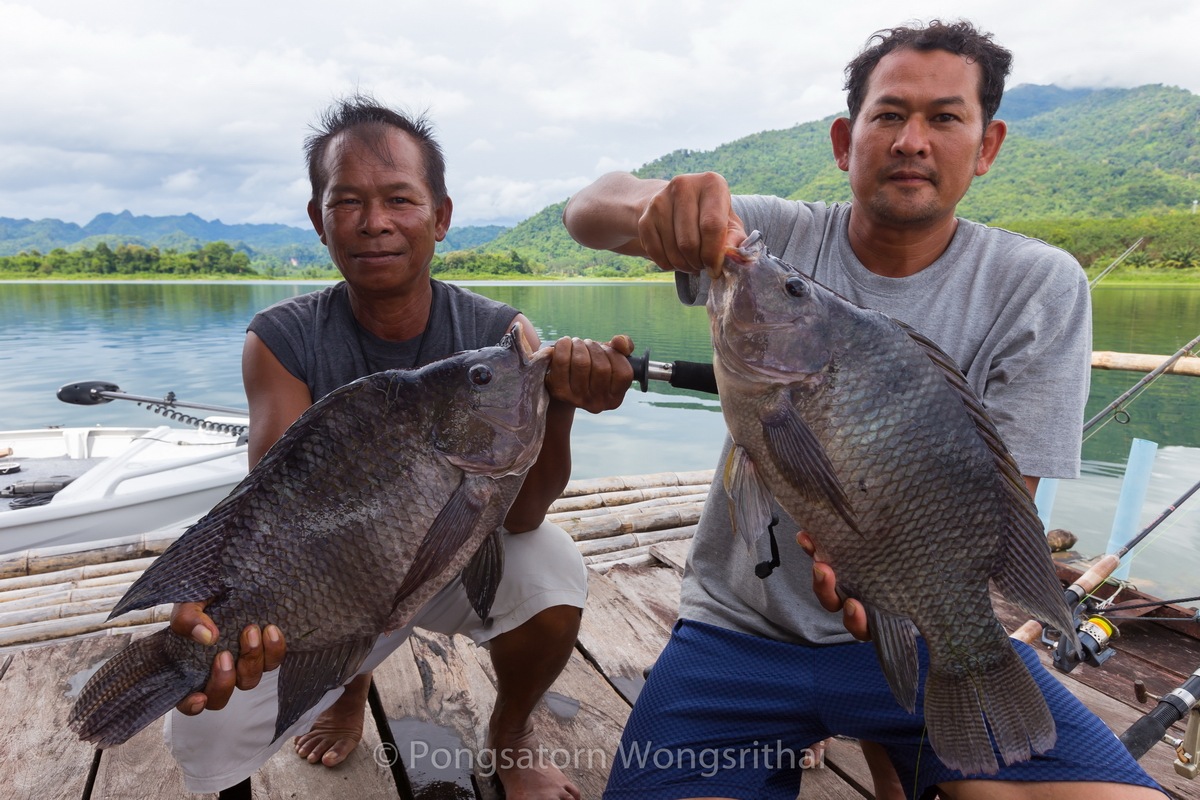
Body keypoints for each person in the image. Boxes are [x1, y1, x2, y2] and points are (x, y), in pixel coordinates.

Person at [563, 19, 1165, 800]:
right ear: (847, 141)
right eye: (889, 115)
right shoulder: (768, 240)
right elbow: (587, 209)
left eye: (945, 118)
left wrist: (892, 593)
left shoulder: (1038, 284)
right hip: (735, 633)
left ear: (988, 147)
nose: (912, 139)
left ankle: (896, 745)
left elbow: (1000, 502)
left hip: (920, 630)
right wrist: (659, 202)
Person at [165, 95, 634, 799]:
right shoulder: (281, 339)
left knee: (552, 569)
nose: (375, 222)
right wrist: (217, 599)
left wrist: (558, 407)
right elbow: (270, 508)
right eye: (347, 200)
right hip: (324, 584)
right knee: (204, 716)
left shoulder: (501, 336)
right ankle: (347, 685)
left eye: (400, 199)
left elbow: (521, 516)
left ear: (440, 216)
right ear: (318, 221)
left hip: (449, 558)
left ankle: (508, 736)